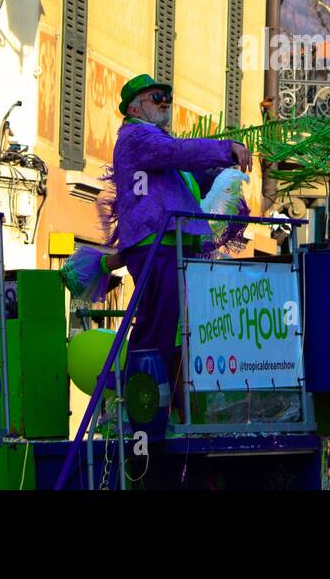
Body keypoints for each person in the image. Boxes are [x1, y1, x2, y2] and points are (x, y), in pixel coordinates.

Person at [102, 74, 252, 415]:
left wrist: (220, 167)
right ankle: (143, 404)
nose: (165, 103)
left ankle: (154, 403)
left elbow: (183, 164)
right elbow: (177, 152)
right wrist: (224, 148)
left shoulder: (153, 145)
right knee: (157, 326)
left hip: (169, 243)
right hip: (158, 244)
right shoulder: (138, 136)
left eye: (168, 97)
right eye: (157, 98)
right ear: (135, 107)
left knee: (166, 326)